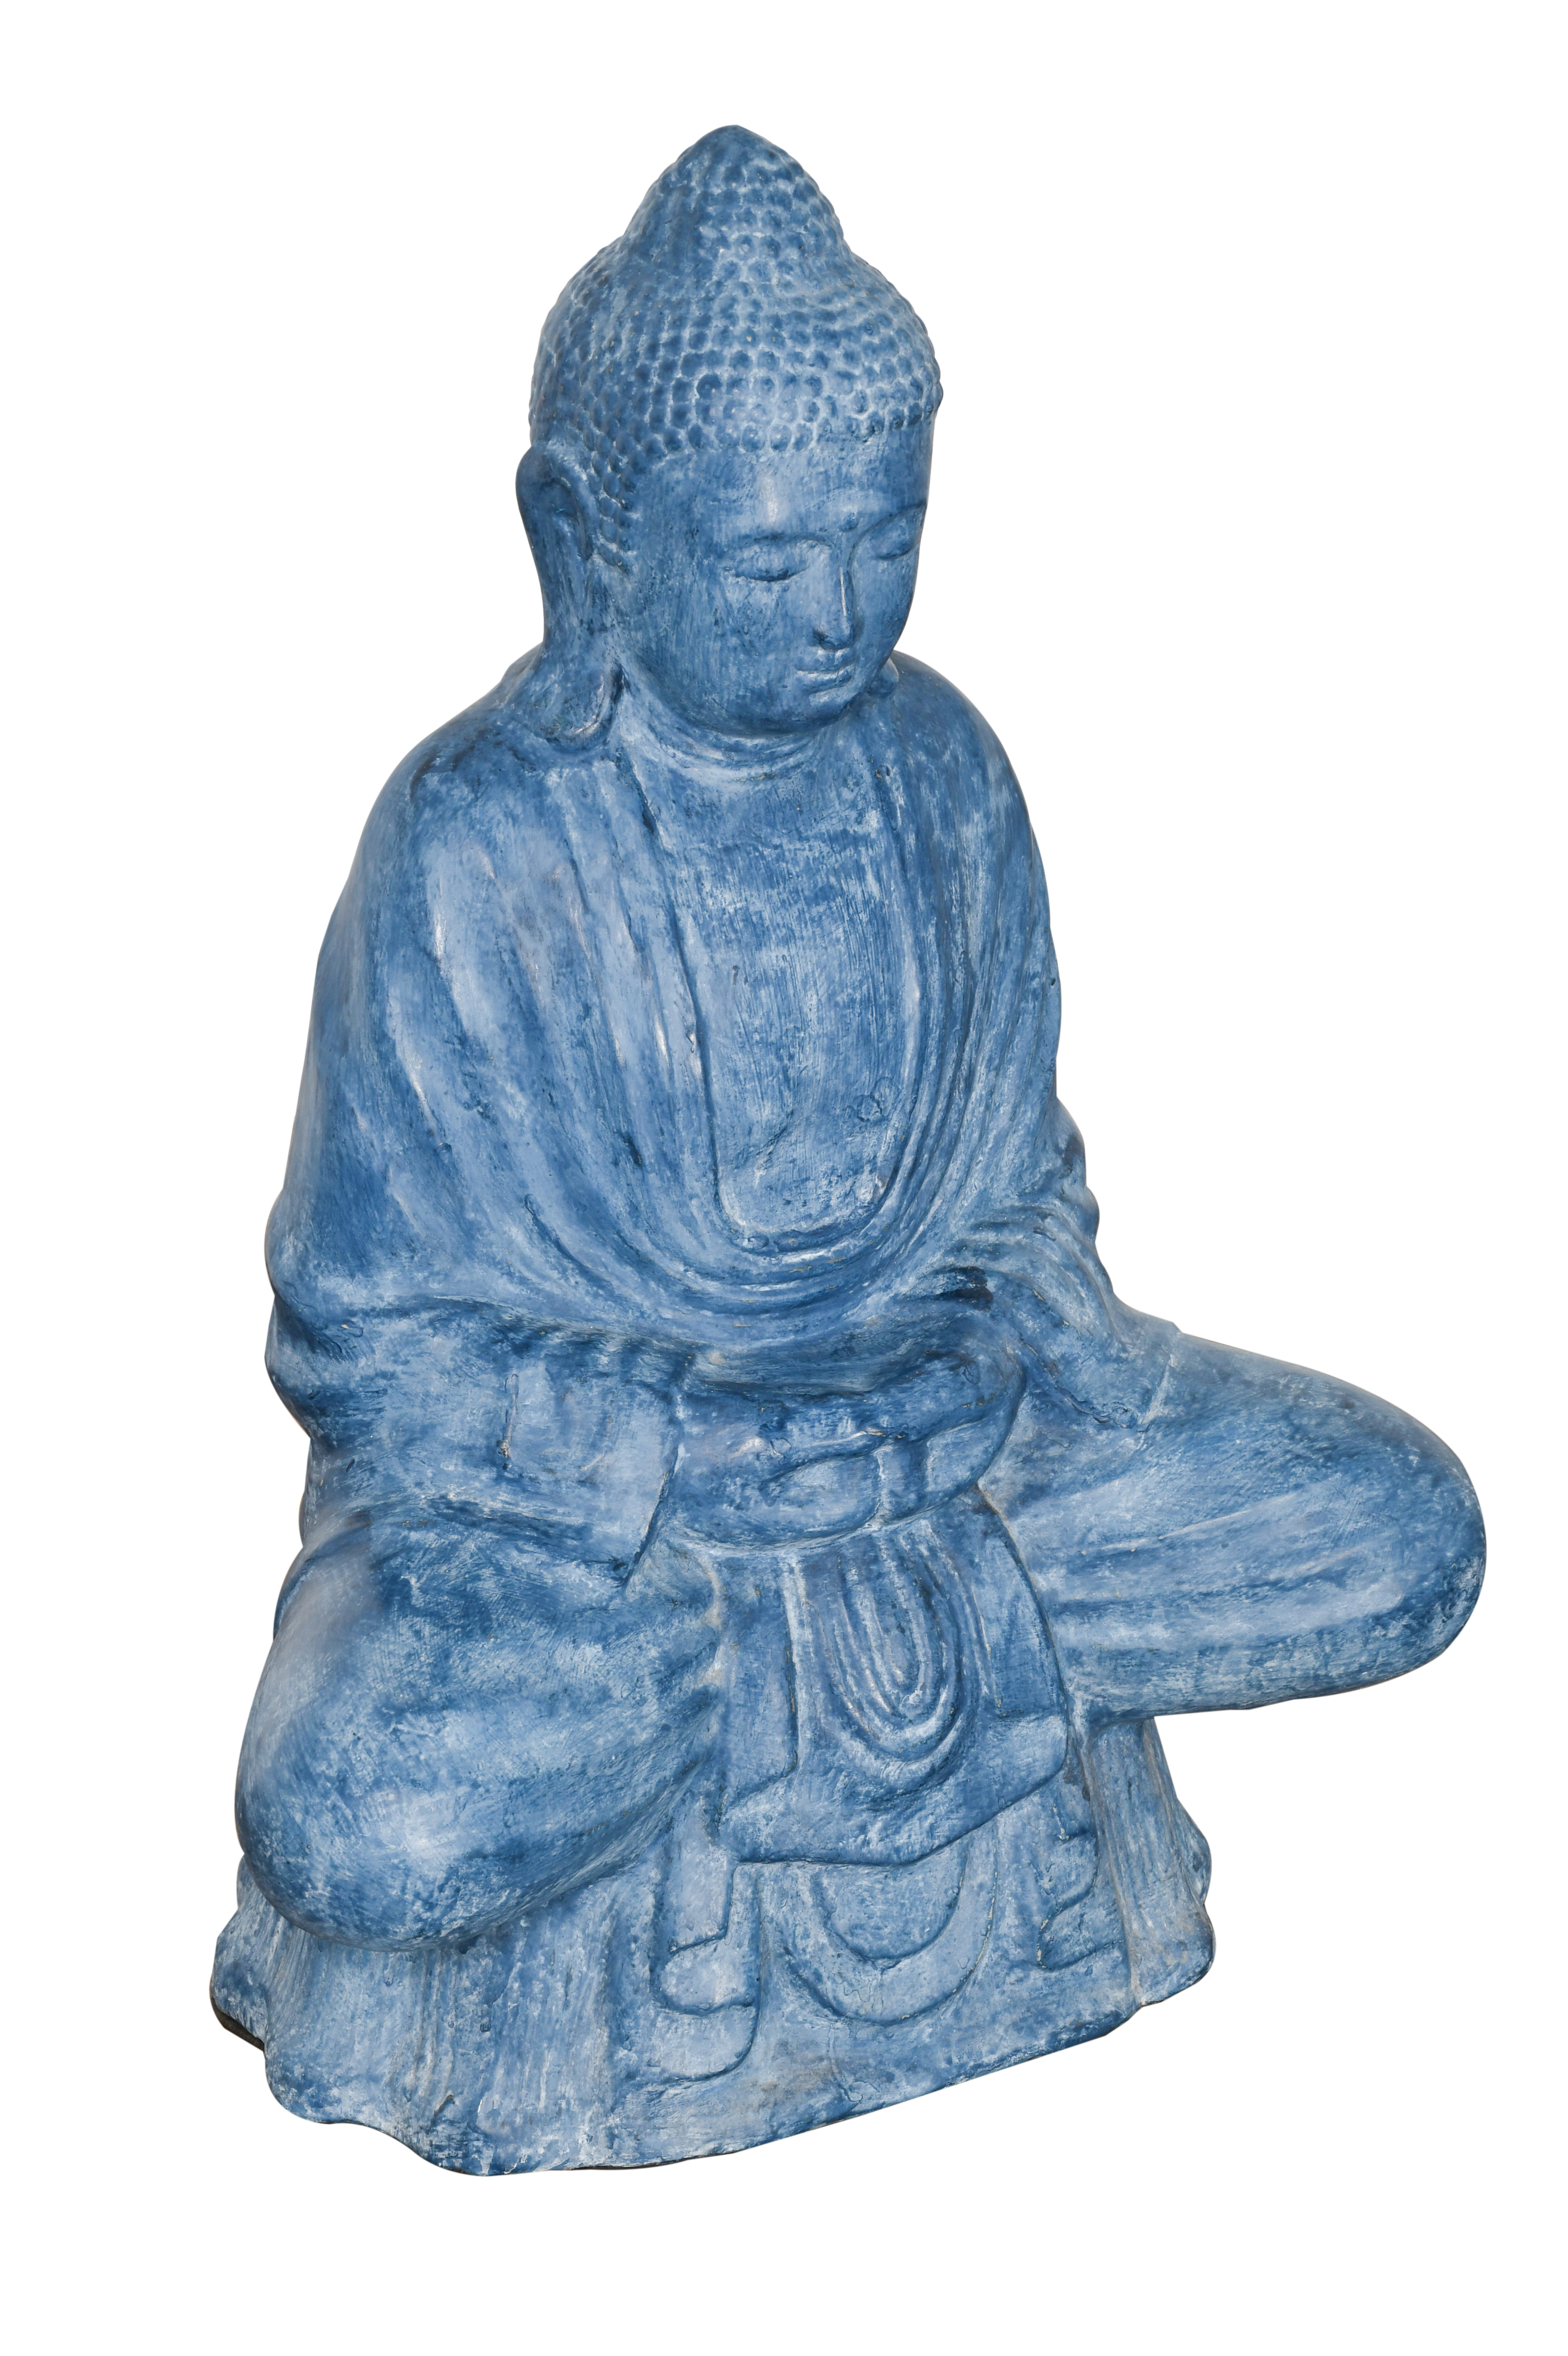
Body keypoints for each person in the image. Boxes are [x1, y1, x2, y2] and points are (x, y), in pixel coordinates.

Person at [214, 127, 1483, 2173]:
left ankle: (782, 1679)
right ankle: (774, 1670)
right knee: (375, 1798)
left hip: (955, 1462)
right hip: (604, 1551)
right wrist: (682, 1456)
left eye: (885, 539)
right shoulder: (475, 842)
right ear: (586, 541)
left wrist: (1058, 1348)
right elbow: (376, 1350)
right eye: (768, 563)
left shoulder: (945, 773)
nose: (838, 611)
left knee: (1404, 1527)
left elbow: (1015, 1200)